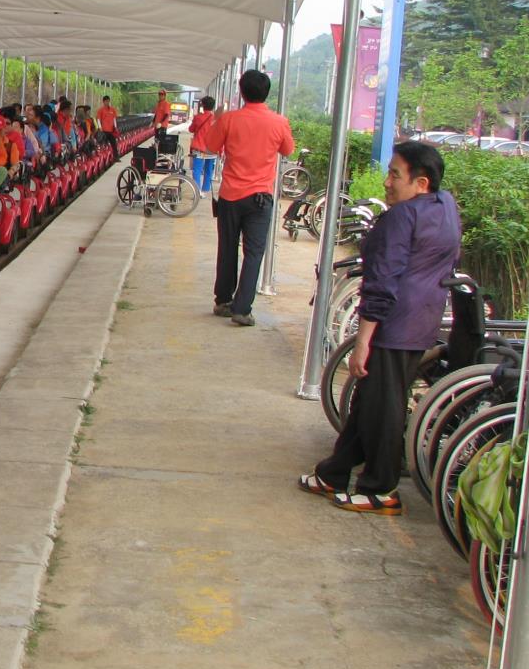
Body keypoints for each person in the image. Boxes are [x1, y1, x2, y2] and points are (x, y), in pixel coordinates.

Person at [302, 142, 461, 513]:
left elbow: (383, 283)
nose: (387, 182)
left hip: (395, 324)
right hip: (423, 319)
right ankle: (334, 472)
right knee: (368, 402)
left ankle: (381, 487)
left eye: (395, 175)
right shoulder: (445, 208)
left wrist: (363, 342)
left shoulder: (401, 218)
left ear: (421, 183)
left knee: (384, 409)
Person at [197, 70, 294, 326]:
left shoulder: (229, 120)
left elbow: (210, 145)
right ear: (267, 93)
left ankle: (223, 301)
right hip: (260, 198)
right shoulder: (279, 122)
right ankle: (242, 308)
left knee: (227, 248)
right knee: (254, 253)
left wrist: (217, 120)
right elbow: (288, 149)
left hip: (231, 195)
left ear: (241, 91)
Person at [187, 95, 218, 194]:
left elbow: (191, 129)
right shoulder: (216, 119)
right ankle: (205, 189)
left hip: (199, 148)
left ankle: (197, 191)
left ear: (203, 105)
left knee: (197, 170)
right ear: (213, 106)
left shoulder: (198, 117)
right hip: (211, 149)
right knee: (209, 170)